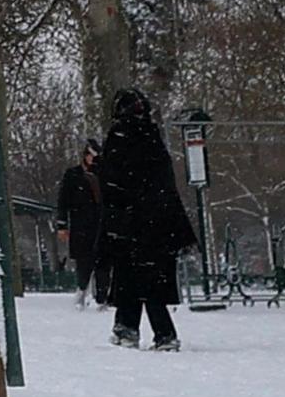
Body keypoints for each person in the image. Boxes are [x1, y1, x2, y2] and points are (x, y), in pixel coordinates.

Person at [94, 90, 199, 349]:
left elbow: (113, 185)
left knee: (129, 276)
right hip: (158, 225)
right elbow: (165, 184)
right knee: (151, 280)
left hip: (130, 224)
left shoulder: (119, 138)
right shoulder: (152, 139)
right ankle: (153, 332)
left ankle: (130, 329)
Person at [53, 143, 105, 307]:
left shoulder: (104, 174)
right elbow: (63, 201)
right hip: (81, 226)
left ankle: (102, 297)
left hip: (102, 225)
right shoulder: (73, 175)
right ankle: (82, 291)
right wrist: (62, 225)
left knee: (103, 262)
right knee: (84, 262)